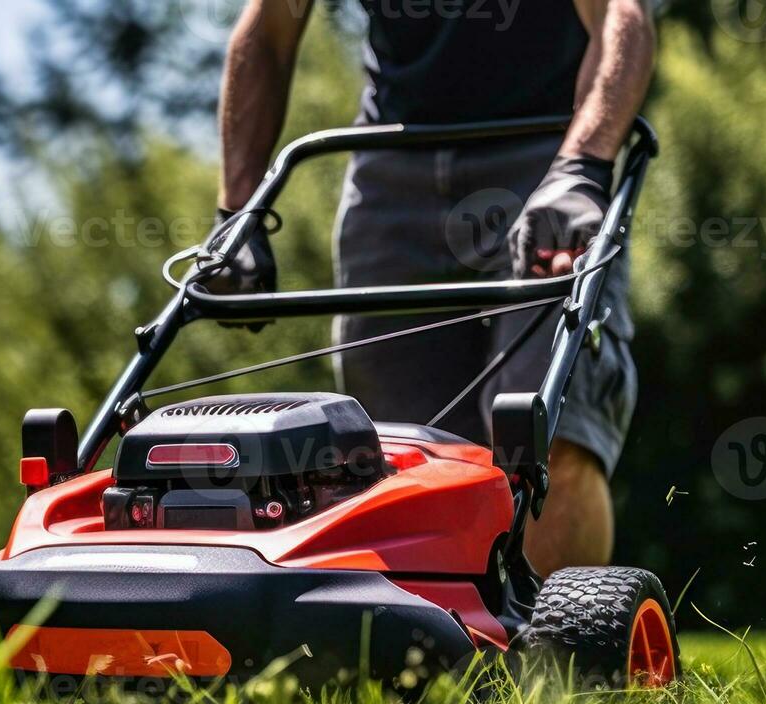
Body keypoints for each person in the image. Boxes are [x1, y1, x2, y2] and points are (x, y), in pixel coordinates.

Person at [203, 0, 655, 574]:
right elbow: (269, 32)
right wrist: (236, 214)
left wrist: (581, 167)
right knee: (390, 452)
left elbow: (623, 15)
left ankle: (556, 655)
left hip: (547, 148)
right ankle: (426, 643)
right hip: (393, 160)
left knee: (547, 423)